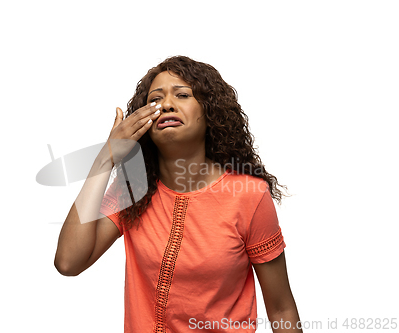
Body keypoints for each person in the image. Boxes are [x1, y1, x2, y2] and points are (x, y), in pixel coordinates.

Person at [54, 56, 302, 332]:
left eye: (182, 95)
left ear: (210, 112)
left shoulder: (249, 195)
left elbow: (281, 308)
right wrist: (105, 159)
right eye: (155, 100)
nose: (167, 104)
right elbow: (68, 262)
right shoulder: (133, 189)